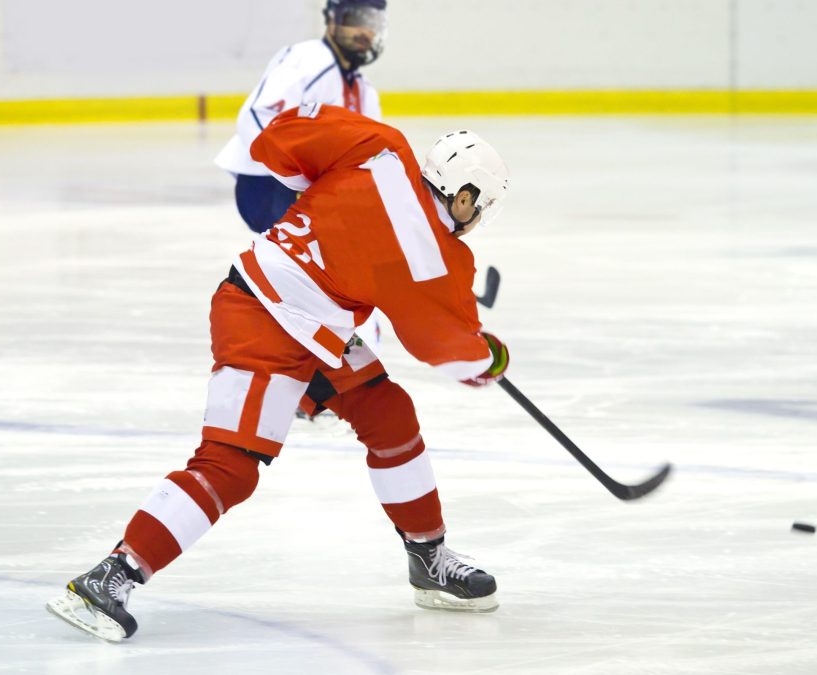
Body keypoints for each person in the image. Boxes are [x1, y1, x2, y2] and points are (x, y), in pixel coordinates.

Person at [46, 104, 513, 642]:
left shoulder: (379, 147)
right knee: (230, 466)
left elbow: (277, 142)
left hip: (306, 322)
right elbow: (448, 349)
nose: (476, 223)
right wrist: (491, 358)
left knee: (389, 414)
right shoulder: (438, 260)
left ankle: (427, 561)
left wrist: (326, 210)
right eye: (481, 209)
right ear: (463, 197)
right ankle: (112, 576)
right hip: (263, 321)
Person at [216, 0, 387, 351]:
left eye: (374, 21)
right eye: (357, 19)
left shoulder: (364, 91)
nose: (365, 30)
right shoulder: (308, 60)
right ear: (332, 20)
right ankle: (316, 368)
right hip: (267, 185)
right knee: (321, 277)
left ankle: (323, 370)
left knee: (337, 274)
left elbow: (375, 163)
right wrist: (298, 179)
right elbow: (256, 117)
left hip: (308, 194)